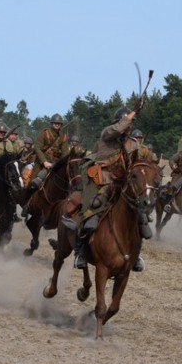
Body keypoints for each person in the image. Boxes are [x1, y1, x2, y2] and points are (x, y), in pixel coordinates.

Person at [74, 99, 148, 272]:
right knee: (90, 211)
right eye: (126, 123)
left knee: (139, 215)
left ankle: (136, 255)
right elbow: (118, 129)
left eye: (130, 125)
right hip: (102, 181)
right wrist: (133, 112)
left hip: (122, 185)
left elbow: (137, 165)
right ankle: (80, 252)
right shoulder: (107, 133)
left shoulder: (132, 144)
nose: (128, 127)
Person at [30, 113, 69, 190]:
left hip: (55, 164)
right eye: (55, 123)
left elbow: (65, 153)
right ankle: (26, 200)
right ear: (51, 123)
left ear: (61, 125)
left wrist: (59, 164)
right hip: (41, 163)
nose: (57, 125)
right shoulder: (44, 133)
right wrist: (44, 162)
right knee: (33, 184)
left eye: (59, 123)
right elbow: (37, 148)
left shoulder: (63, 137)